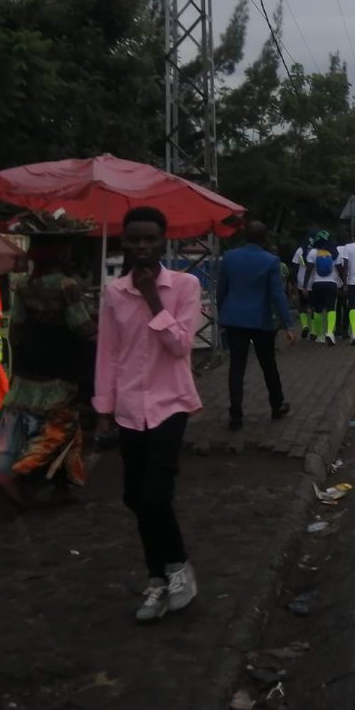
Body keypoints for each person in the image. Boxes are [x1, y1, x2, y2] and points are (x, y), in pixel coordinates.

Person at [94, 206, 203, 624]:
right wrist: (103, 410)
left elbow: (180, 345)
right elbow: (109, 354)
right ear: (124, 242)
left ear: (163, 242)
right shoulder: (115, 293)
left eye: (149, 239)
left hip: (170, 403)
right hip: (127, 408)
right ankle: (157, 578)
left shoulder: (185, 285)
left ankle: (178, 569)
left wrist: (154, 298)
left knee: (156, 494)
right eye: (134, 239)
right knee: (133, 497)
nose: (141, 247)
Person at [0, 239, 97, 505]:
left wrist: (19, 364)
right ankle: (19, 474)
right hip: (62, 362)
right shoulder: (65, 285)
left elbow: (17, 329)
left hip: (31, 362)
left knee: (40, 424)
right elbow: (81, 326)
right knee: (62, 427)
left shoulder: (25, 284)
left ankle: (61, 488)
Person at [218, 220, 295, 432]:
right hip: (261, 321)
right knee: (268, 364)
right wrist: (288, 323)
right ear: (264, 238)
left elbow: (221, 289)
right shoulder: (270, 261)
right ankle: (277, 405)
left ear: (244, 236)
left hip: (234, 319)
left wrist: (221, 314)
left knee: (236, 367)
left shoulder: (229, 258)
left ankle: (235, 416)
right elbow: (277, 295)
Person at [306, 231, 341, 346]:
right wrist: (343, 282)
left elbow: (309, 269)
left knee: (318, 309)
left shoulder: (313, 252)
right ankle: (330, 332)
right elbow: (340, 268)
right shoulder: (334, 252)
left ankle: (320, 335)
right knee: (331, 308)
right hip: (331, 283)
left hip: (317, 284)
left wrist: (306, 285)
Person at [290, 235, 315, 340]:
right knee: (313, 307)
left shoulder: (300, 250)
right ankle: (314, 330)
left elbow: (294, 267)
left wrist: (293, 282)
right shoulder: (316, 251)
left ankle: (305, 325)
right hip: (314, 282)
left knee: (302, 305)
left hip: (301, 283)